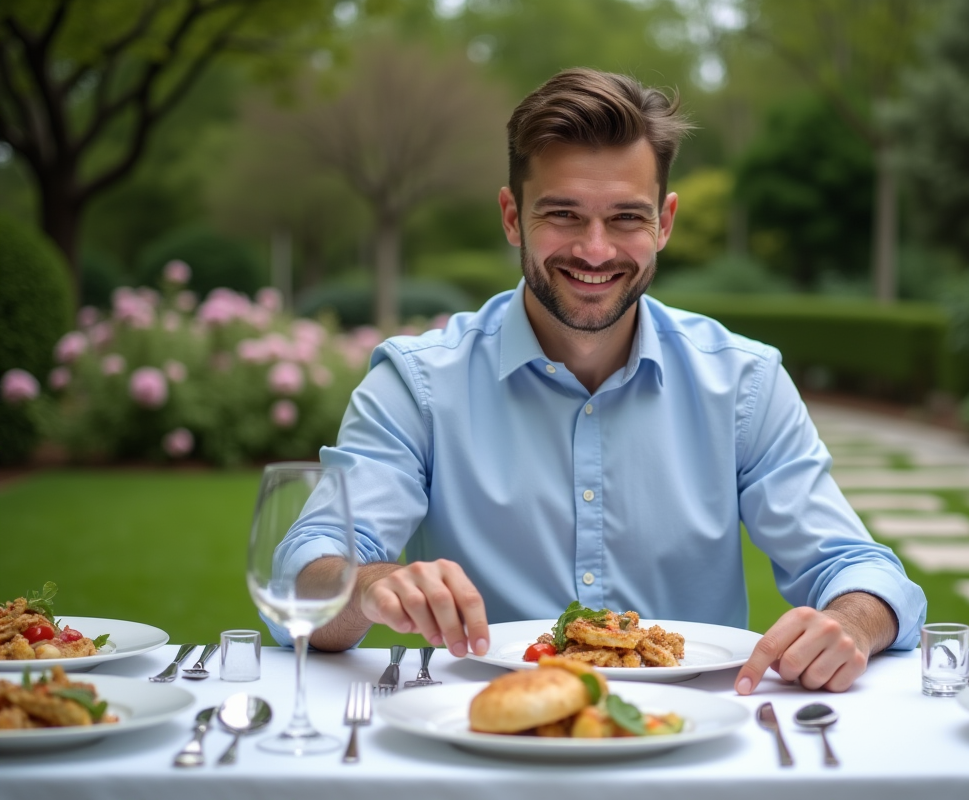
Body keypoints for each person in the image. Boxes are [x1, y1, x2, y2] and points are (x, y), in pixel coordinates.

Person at [273, 68, 927, 694]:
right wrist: (368, 585)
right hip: (482, 735)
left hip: (695, 737)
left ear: (664, 222)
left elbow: (859, 568)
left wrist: (850, 623)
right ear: (511, 217)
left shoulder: (744, 383)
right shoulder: (417, 382)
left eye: (625, 219)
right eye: (562, 215)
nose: (594, 250)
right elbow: (302, 580)